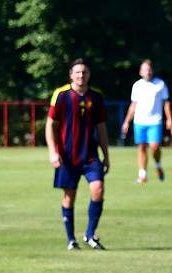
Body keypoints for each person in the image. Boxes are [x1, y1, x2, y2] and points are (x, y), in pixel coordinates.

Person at [45, 58, 110, 251]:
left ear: (89, 75)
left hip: (90, 155)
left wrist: (106, 154)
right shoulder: (62, 95)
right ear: (71, 75)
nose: (81, 75)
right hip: (67, 156)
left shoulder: (96, 97)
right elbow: (51, 125)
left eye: (84, 72)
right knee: (69, 197)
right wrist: (52, 152)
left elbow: (102, 127)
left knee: (98, 189)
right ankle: (71, 239)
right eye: (77, 72)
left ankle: (90, 234)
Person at [121, 60, 171, 183]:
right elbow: (133, 105)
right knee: (142, 147)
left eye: (149, 69)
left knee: (154, 147)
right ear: (140, 72)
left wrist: (169, 119)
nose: (147, 72)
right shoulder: (137, 85)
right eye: (145, 70)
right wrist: (127, 121)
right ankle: (142, 174)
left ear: (152, 71)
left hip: (155, 121)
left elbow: (166, 103)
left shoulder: (160, 84)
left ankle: (158, 165)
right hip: (139, 121)